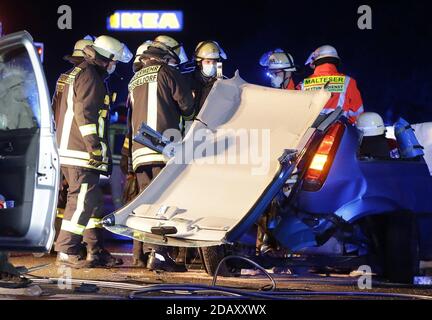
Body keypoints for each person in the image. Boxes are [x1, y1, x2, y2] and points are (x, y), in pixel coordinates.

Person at [53, 35, 132, 268]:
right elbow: (85, 114)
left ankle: (95, 250)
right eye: (114, 61)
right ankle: (67, 250)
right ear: (106, 59)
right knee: (80, 201)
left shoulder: (73, 74)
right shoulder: (91, 76)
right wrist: (94, 147)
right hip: (80, 153)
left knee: (92, 201)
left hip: (67, 150)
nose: (114, 66)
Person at [124, 35, 195, 271]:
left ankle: (145, 253)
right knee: (165, 203)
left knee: (146, 203)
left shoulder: (134, 79)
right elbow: (187, 107)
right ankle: (159, 254)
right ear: (166, 58)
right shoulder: (168, 72)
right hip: (163, 149)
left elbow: (129, 119)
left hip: (139, 151)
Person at [298, 45, 364, 122]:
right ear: (335, 61)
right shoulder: (348, 81)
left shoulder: (303, 83)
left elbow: (297, 110)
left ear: (314, 61)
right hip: (338, 131)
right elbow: (357, 113)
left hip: (309, 131)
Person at [185, 40, 227, 114]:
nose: (212, 65)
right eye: (208, 61)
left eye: (214, 62)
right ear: (199, 63)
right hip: (192, 123)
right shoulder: (188, 80)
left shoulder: (224, 82)